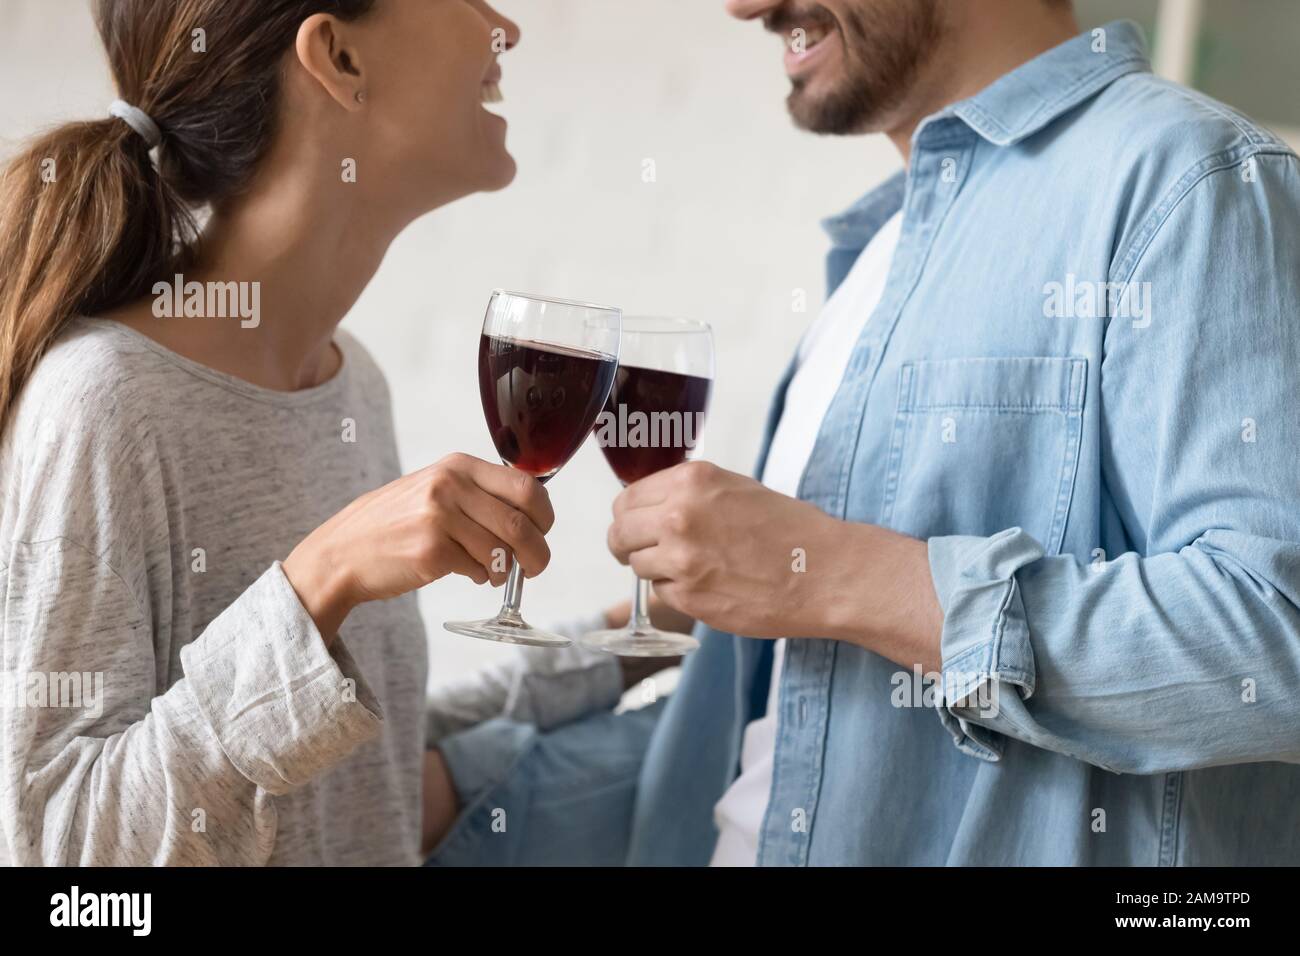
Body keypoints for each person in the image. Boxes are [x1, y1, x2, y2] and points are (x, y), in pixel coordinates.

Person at [426, 0, 1300, 866]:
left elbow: (1277, 642)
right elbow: (789, 738)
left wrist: (835, 574)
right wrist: (451, 791)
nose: (747, 7)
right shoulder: (878, 250)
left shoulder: (1195, 179)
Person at [0, 0, 633, 866]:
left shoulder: (350, 383)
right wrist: (318, 581)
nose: (504, 29)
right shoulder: (105, 399)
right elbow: (60, 858)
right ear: (338, 57)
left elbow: (354, 767)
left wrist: (625, 642)